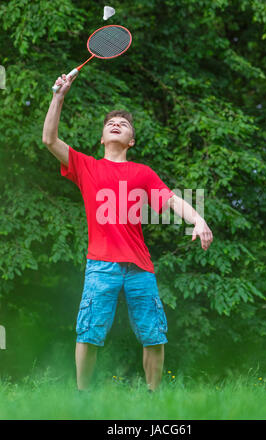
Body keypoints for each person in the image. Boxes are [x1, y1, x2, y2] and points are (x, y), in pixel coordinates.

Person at [42, 73, 213, 393]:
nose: (117, 123)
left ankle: (153, 398)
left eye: (124, 122)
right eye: (111, 123)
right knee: (88, 332)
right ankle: (83, 398)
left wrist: (198, 219)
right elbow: (49, 140)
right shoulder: (86, 166)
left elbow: (173, 200)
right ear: (103, 138)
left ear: (131, 140)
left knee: (154, 334)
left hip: (140, 268)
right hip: (100, 265)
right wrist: (59, 96)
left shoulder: (142, 173)